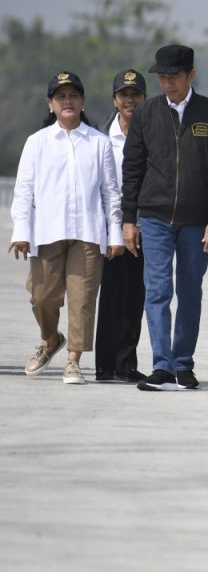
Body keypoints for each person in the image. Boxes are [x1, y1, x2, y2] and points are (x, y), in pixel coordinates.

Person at [121, 44, 208, 391]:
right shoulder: (147, 113)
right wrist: (129, 218)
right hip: (154, 217)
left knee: (189, 290)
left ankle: (184, 364)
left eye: (174, 76)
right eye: (163, 77)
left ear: (191, 75)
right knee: (157, 290)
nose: (167, 83)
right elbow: (133, 167)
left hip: (197, 220)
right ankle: (162, 366)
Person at [9, 72, 124, 384]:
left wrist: (115, 233)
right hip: (47, 232)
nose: (68, 101)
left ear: (82, 101)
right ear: (51, 104)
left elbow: (111, 192)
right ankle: (50, 339)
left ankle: (73, 359)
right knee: (41, 296)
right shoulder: (37, 143)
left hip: (88, 234)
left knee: (83, 299)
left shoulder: (98, 143)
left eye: (73, 96)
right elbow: (24, 191)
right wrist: (21, 231)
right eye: (61, 97)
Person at [94, 69, 148, 383]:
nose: (130, 100)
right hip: (108, 227)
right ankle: (104, 365)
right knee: (111, 295)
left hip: (142, 227)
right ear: (115, 99)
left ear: (144, 98)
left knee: (135, 296)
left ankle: (126, 364)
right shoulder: (100, 136)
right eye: (124, 95)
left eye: (136, 94)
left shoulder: (152, 133)